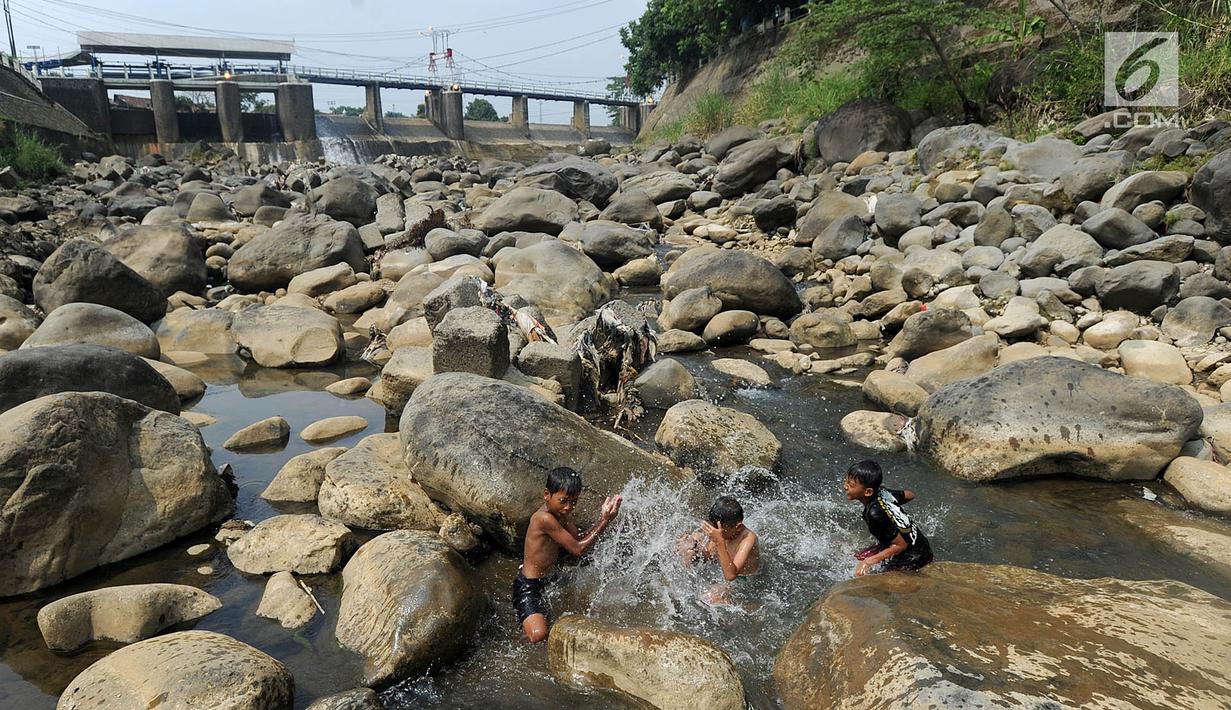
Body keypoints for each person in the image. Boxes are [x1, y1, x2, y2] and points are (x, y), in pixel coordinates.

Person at [514, 466, 622, 643]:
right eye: (563, 501)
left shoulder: (561, 514)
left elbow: (577, 539)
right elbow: (578, 549)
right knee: (538, 636)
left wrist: (602, 519)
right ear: (547, 495)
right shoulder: (544, 518)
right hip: (529, 586)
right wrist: (604, 522)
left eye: (573, 502)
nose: (568, 507)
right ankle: (521, 633)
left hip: (549, 580)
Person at [843, 459, 933, 576]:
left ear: (868, 492)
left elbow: (901, 546)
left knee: (862, 574)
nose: (845, 486)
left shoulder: (874, 515)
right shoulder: (883, 493)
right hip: (917, 545)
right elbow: (910, 495)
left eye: (851, 485)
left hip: (916, 556)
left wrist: (868, 562)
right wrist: (890, 508)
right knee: (855, 558)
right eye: (846, 481)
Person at [678, 496, 760, 603]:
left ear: (738, 527)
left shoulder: (748, 539)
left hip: (741, 580)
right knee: (691, 544)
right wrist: (694, 548)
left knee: (711, 597)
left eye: (721, 531)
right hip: (720, 564)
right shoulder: (723, 530)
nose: (715, 532)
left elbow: (730, 576)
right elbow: (709, 552)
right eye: (714, 528)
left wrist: (719, 541)